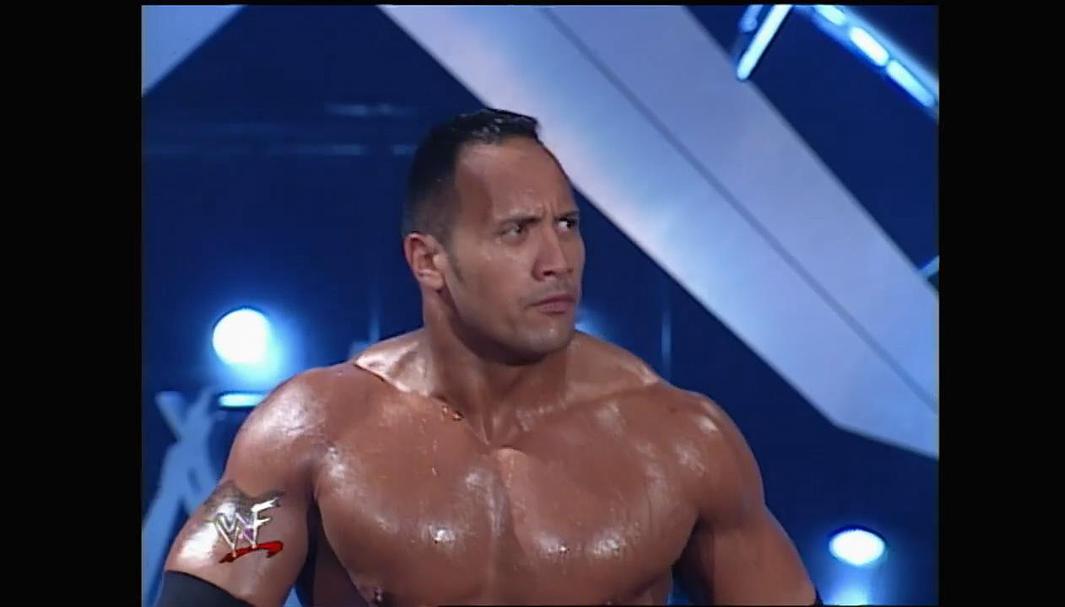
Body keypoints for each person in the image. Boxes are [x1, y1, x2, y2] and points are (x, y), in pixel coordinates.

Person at [157, 109, 821, 606]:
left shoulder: (682, 441)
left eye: (567, 225)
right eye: (517, 231)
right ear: (429, 260)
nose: (557, 261)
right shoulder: (311, 431)